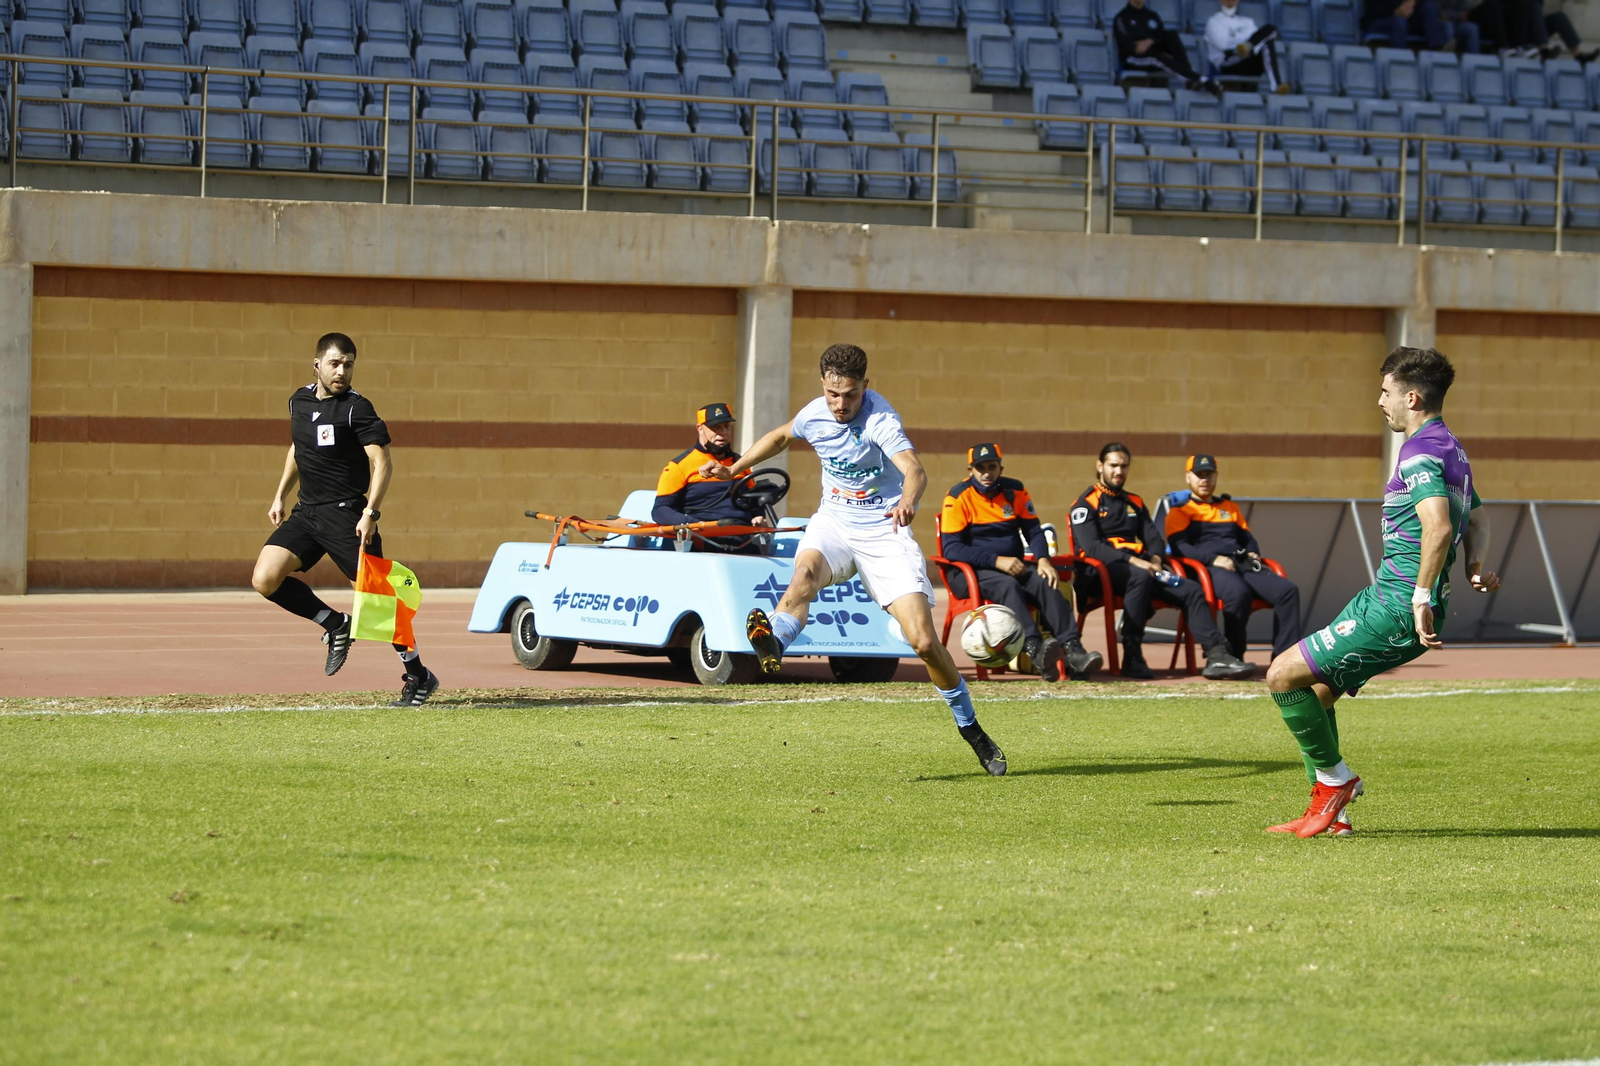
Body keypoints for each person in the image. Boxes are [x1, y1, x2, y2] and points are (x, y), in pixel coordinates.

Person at [700, 344, 1008, 776]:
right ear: (823, 385)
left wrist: (908, 498)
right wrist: (736, 468)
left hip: (884, 531)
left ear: (866, 384)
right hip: (835, 524)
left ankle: (972, 729)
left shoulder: (881, 420)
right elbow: (781, 436)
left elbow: (915, 470)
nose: (840, 404)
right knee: (803, 573)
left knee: (922, 641)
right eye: (832, 394)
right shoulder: (817, 413)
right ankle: (775, 641)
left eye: (849, 394)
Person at [1263, 348, 1500, 839]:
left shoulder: (1418, 452)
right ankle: (1332, 816)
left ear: (1411, 397)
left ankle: (1337, 783)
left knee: (1282, 676)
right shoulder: (1450, 447)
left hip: (1396, 607)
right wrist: (1476, 566)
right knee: (1319, 693)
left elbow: (1437, 529)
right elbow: (1475, 516)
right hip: (1386, 597)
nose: (1380, 401)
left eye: (1387, 392)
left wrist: (1418, 597)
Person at [251, 332, 440, 707]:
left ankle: (419, 674)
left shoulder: (357, 408)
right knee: (265, 578)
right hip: (307, 513)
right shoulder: (298, 401)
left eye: (349, 364)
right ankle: (334, 623)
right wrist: (280, 495)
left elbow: (382, 463)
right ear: (317, 364)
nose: (342, 371)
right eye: (335, 363)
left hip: (348, 517)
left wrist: (370, 512)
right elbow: (298, 448)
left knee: (380, 604)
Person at [1069, 443, 1255, 681]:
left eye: (1124, 466)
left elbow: (1154, 537)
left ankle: (1217, 654)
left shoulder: (1134, 501)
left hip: (1143, 569)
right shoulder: (1086, 502)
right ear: (1100, 466)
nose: (1119, 471)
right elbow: (1093, 548)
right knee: (1140, 576)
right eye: (1113, 465)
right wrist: (1136, 562)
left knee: (1190, 589)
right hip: (1101, 573)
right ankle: (1132, 654)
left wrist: (1155, 559)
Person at [939, 442, 1105, 682]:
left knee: (1045, 581)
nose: (986, 473)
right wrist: (997, 561)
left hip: (1010, 567)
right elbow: (951, 549)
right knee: (1008, 586)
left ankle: (1074, 652)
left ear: (1000, 468)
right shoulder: (957, 497)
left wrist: (1044, 561)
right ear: (970, 470)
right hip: (968, 573)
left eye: (992, 467)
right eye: (980, 467)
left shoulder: (1015, 490)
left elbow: (1033, 530)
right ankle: (1035, 650)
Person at [1164, 453, 1303, 660]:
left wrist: (1253, 551)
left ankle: (1284, 658)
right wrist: (1213, 559)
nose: (1204, 480)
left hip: (1241, 563)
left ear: (1216, 477)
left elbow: (1247, 537)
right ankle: (1234, 655)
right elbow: (1179, 547)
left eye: (1209, 475)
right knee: (1238, 594)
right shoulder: (1181, 511)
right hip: (1207, 567)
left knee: (1288, 591)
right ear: (1188, 478)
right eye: (1199, 475)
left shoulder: (1229, 507)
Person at [653, 401, 768, 551]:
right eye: (716, 428)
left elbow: (755, 503)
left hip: (743, 539)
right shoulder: (679, 466)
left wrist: (758, 517)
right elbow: (660, 511)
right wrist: (695, 525)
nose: (723, 432)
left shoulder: (740, 464)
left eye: (726, 426)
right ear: (700, 429)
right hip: (702, 540)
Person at [1113, 0, 1223, 98]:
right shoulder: (1122, 18)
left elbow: (1162, 36)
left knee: (1171, 36)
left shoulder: (1152, 16)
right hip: (1133, 59)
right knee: (1157, 57)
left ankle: (1191, 77)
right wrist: (1150, 43)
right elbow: (1132, 48)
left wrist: (1150, 41)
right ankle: (1197, 78)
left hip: (1156, 54)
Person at [1204, 0, 1289, 94]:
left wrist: (1244, 42)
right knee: (1261, 41)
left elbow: (1259, 39)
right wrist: (1245, 39)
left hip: (1248, 60)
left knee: (1270, 31)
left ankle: (1276, 86)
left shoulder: (1248, 22)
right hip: (1227, 63)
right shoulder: (1214, 21)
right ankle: (1248, 47)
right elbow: (1223, 44)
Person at [1362, 0, 1455, 52]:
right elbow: (1372, 9)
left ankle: (1438, 48)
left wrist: (1413, 2)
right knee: (1399, 22)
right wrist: (1395, 12)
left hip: (1405, 20)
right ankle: (1400, 60)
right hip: (1378, 20)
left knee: (1428, 6)